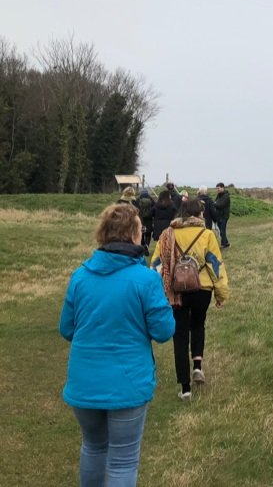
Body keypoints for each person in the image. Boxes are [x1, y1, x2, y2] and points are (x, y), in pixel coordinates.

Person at [59, 203, 175, 487]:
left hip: (84, 383)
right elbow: (163, 331)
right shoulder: (146, 279)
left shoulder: (80, 276)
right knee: (123, 460)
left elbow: (67, 328)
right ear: (135, 234)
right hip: (128, 384)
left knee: (93, 447)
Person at [152, 198, 229, 400]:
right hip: (202, 289)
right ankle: (197, 365)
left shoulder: (167, 234)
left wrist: (159, 291)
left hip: (177, 291)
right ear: (199, 214)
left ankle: (185, 388)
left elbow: (157, 264)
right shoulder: (207, 234)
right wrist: (221, 293)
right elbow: (215, 265)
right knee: (198, 325)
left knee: (179, 334)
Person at [214, 182, 231, 249]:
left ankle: (223, 245)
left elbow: (220, 205)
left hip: (224, 216)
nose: (217, 190)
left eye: (218, 188)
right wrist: (215, 203)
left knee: (222, 230)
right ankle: (226, 243)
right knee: (220, 230)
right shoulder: (218, 195)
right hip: (218, 215)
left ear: (222, 188)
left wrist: (215, 203)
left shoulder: (226, 196)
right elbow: (216, 202)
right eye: (217, 188)